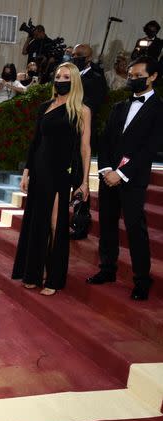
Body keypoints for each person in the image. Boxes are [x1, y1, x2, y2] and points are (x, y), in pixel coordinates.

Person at [87, 57, 163, 301]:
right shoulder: (119, 106)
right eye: (130, 75)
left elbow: (150, 149)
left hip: (132, 179)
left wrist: (121, 174)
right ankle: (107, 269)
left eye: (138, 74)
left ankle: (142, 280)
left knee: (135, 228)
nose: (132, 78)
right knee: (107, 224)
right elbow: (105, 139)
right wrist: (107, 169)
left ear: (152, 77)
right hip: (108, 176)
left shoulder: (159, 109)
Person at [12, 62, 91, 296]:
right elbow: (36, 141)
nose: (61, 79)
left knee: (56, 224)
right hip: (39, 170)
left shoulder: (81, 110)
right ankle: (33, 273)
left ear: (74, 80)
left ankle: (54, 278)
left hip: (60, 173)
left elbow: (85, 148)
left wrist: (85, 181)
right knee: (36, 221)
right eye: (58, 75)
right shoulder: (45, 106)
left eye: (66, 76)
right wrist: (26, 172)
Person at [69, 43, 108, 240]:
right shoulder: (70, 75)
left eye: (78, 55)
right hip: (65, 135)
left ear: (88, 58)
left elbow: (92, 105)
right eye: (73, 54)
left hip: (82, 134)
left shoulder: (96, 79)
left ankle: (81, 222)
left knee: (79, 180)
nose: (74, 57)